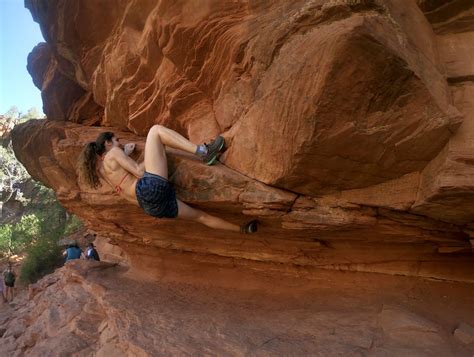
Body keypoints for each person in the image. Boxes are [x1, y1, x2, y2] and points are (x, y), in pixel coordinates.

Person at [77, 125, 257, 233]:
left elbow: (126, 180)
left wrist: (125, 154)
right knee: (155, 131)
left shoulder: (105, 174)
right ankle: (205, 152)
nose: (120, 143)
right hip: (148, 188)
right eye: (117, 141)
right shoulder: (114, 153)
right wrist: (146, 152)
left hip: (150, 206)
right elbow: (139, 172)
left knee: (201, 217)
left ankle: (243, 229)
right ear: (107, 144)